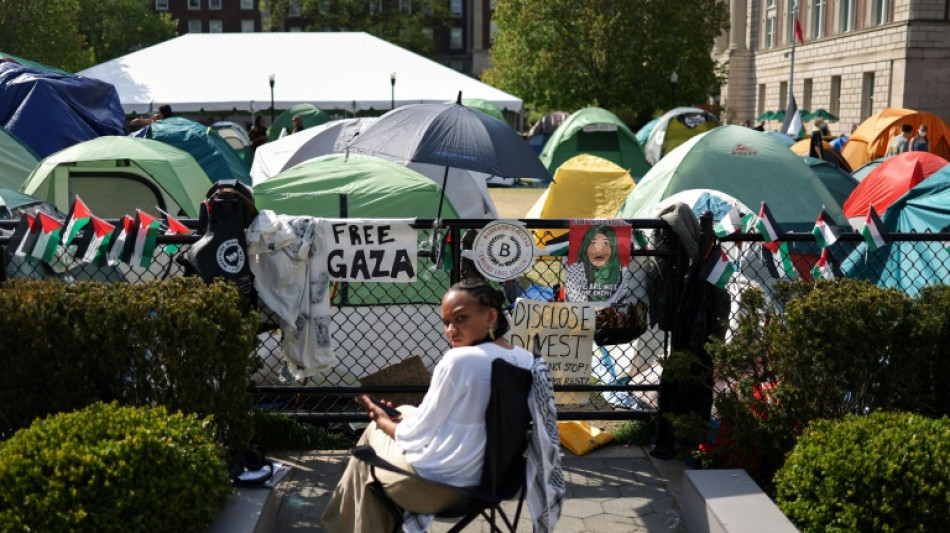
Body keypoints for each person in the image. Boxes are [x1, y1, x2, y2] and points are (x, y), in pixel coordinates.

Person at [322, 278, 562, 533]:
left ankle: (339, 526)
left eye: (460, 319)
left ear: (491, 317)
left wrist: (381, 420)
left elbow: (417, 435)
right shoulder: (529, 362)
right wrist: (397, 418)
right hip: (498, 481)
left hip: (440, 487)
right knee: (404, 411)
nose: (450, 330)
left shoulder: (459, 360)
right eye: (446, 323)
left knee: (368, 451)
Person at [564, 224, 633, 303]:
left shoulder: (622, 272)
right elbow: (574, 299)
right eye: (593, 243)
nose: (599, 250)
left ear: (613, 247)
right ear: (585, 246)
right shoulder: (574, 270)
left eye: (606, 243)